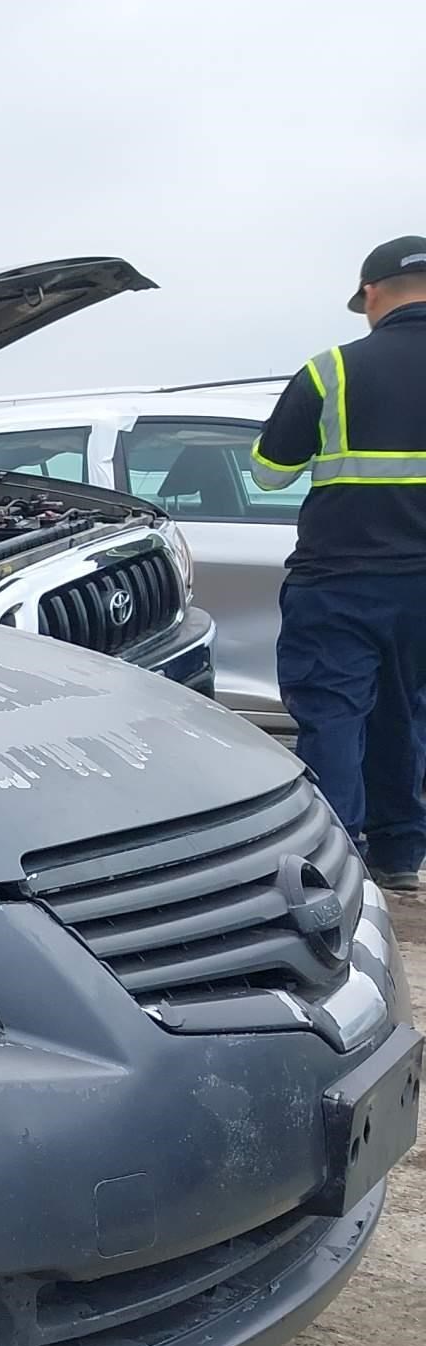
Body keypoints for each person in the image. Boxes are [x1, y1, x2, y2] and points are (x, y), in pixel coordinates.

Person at [254, 235, 426, 886]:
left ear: (372, 295)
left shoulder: (332, 370)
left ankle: (336, 858)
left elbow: (270, 473)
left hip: (341, 579)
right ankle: (400, 856)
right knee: (407, 715)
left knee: (333, 714)